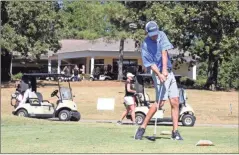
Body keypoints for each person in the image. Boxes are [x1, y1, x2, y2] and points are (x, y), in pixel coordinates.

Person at [134, 21, 183, 140]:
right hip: (157, 73)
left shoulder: (162, 35)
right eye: (152, 34)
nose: (155, 35)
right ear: (147, 33)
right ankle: (142, 128)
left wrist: (165, 70)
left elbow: (164, 52)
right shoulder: (145, 45)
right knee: (160, 103)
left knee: (175, 101)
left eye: (155, 32)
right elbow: (150, 63)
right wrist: (160, 74)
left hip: (168, 71)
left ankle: (175, 132)